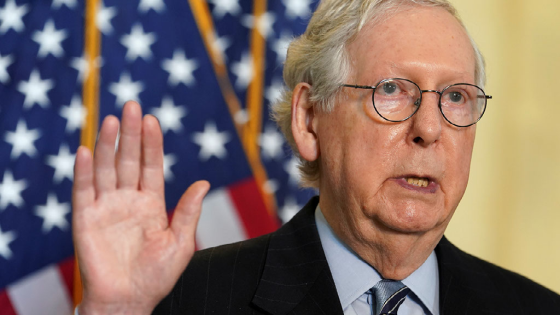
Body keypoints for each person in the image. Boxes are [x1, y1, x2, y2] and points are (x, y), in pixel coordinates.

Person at [72, 0, 560, 314]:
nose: (429, 129)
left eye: (455, 97)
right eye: (391, 90)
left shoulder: (534, 309)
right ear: (309, 120)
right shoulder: (186, 301)